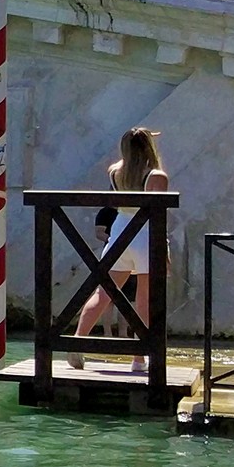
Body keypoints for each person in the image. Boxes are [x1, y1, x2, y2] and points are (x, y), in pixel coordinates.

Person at [74, 127, 169, 374]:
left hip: (119, 233)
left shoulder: (115, 172)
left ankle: (76, 342)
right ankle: (138, 358)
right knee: (145, 298)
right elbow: (158, 214)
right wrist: (164, 249)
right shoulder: (156, 176)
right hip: (145, 234)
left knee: (103, 292)